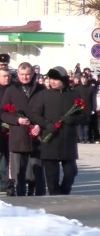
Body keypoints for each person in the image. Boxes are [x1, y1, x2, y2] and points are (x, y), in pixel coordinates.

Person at [29, 66, 83, 195]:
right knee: (51, 177)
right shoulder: (43, 95)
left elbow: (84, 116)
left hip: (68, 141)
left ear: (63, 80)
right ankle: (55, 198)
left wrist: (73, 119)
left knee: (71, 172)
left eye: (56, 79)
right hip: (50, 139)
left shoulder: (74, 95)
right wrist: (46, 124)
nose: (52, 81)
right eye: (50, 78)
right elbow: (35, 114)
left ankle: (63, 193)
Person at [1, 63, 45, 196]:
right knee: (19, 172)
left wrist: (40, 125)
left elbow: (47, 112)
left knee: (37, 172)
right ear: (18, 75)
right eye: (22, 74)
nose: (25, 77)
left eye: (28, 74)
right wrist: (17, 120)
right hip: (19, 136)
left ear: (33, 74)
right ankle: (21, 199)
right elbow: (2, 112)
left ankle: (40, 199)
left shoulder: (41, 89)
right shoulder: (12, 90)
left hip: (37, 136)